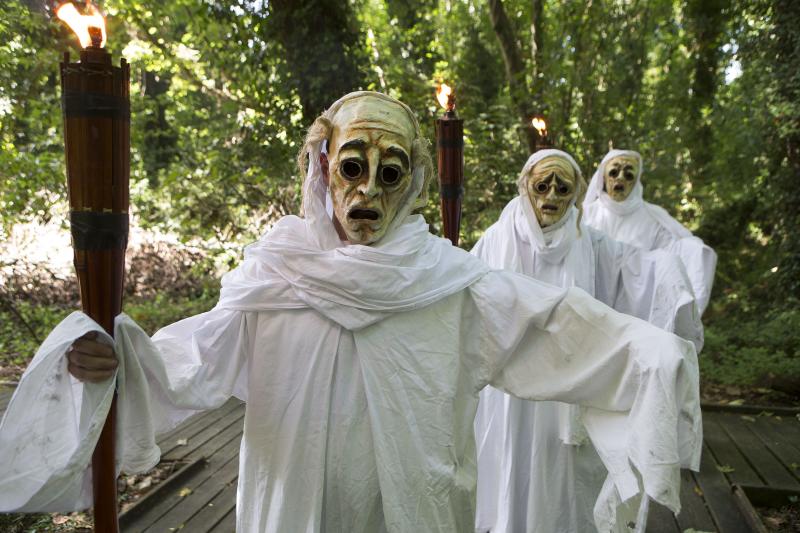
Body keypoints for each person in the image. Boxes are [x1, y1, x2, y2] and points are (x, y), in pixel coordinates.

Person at [0, 92, 701, 533]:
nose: (367, 188)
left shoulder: (453, 285)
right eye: (352, 166)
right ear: (321, 167)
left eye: (389, 172)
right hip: (294, 508)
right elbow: (192, 361)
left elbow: (558, 323)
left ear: (412, 183)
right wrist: (117, 360)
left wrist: (650, 355)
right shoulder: (276, 275)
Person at [472, 149, 703, 533]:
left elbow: (635, 270)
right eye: (542, 186)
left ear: (577, 195)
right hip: (511, 389)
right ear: (525, 186)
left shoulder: (589, 241)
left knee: (557, 472)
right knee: (510, 464)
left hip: (568, 385)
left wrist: (669, 269)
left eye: (562, 188)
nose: (550, 196)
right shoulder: (497, 239)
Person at [583, 149, 717, 314]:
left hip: (635, 305)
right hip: (594, 296)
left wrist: (694, 251)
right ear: (603, 177)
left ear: (636, 180)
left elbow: (671, 252)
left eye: (628, 174)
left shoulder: (652, 216)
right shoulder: (586, 214)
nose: (620, 178)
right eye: (614, 172)